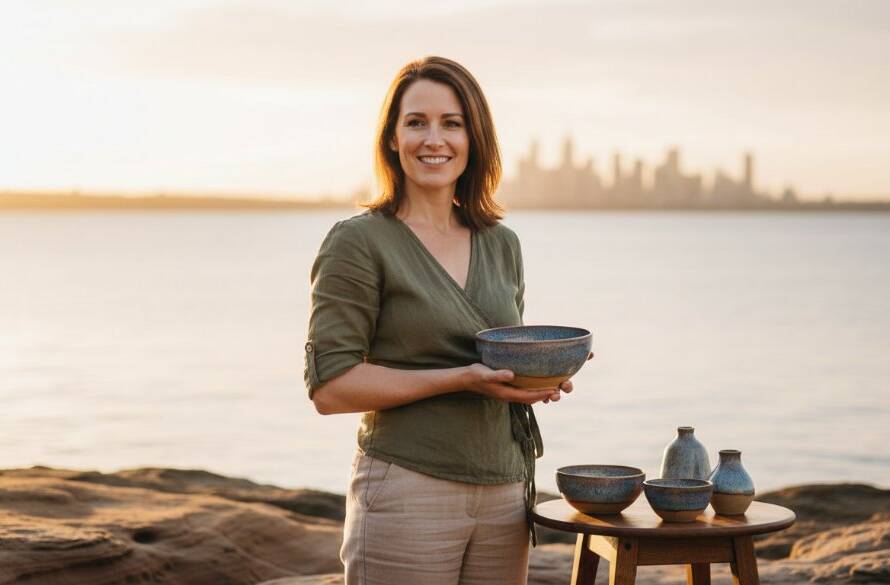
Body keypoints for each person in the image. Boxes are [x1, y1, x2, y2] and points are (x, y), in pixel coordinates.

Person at [305, 56, 574, 585]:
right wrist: (461, 379)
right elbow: (331, 388)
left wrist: (538, 375)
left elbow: (499, 355)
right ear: (392, 138)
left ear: (474, 138)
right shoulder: (359, 242)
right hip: (408, 488)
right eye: (416, 122)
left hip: (506, 490)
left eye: (452, 123)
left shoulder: (502, 243)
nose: (434, 139)